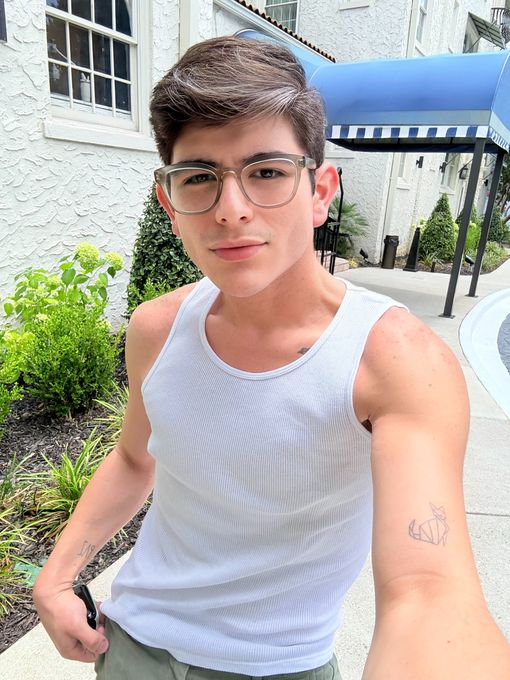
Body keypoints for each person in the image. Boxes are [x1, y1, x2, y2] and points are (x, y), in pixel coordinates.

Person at [34, 36, 510, 679]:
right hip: (129, 649)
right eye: (199, 177)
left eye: (266, 172)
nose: (231, 211)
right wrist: (57, 576)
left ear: (320, 191)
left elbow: (429, 589)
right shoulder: (156, 328)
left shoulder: (393, 359)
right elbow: (134, 459)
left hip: (276, 667)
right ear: (170, 204)